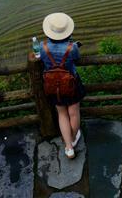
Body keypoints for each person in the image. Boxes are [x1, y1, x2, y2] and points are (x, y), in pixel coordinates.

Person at [39, 12, 86, 159]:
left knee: (62, 114)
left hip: (52, 85)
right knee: (73, 113)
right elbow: (77, 59)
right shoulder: (72, 47)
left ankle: (69, 147)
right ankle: (72, 138)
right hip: (70, 84)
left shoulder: (43, 46)